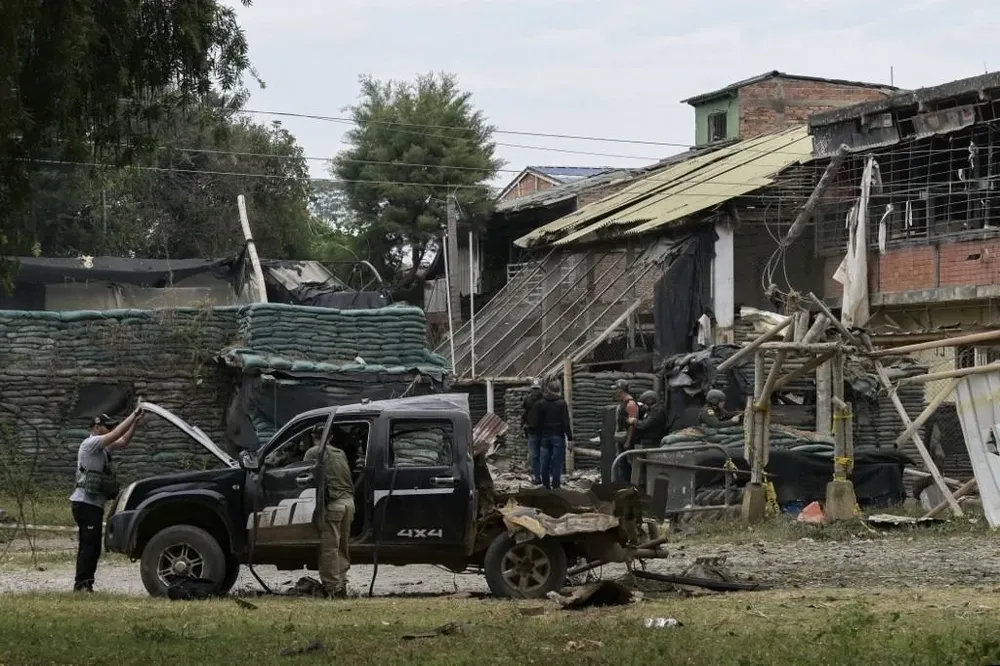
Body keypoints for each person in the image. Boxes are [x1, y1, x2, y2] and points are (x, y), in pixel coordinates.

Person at [70, 407, 143, 592]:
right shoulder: (91, 443)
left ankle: (87, 583)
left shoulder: (103, 449)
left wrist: (136, 422)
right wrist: (134, 413)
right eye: (106, 426)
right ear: (96, 427)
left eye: (110, 427)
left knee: (93, 546)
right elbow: (118, 433)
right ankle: (81, 585)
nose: (110, 430)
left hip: (93, 504)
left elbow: (124, 440)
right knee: (88, 545)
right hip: (85, 504)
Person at [304, 427, 355, 598]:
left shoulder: (313, 453)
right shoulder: (340, 453)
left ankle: (333, 588)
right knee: (342, 546)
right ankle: (342, 584)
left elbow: (304, 477)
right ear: (331, 437)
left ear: (313, 437)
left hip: (333, 505)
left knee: (329, 548)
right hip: (349, 503)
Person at [534, 380, 573, 490]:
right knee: (557, 463)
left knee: (544, 462)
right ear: (559, 390)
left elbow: (538, 422)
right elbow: (566, 422)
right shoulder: (561, 403)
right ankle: (556, 486)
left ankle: (546, 485)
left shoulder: (541, 403)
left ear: (548, 389)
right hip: (558, 436)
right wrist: (570, 438)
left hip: (545, 437)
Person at [612, 379, 640, 484]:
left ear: (620, 390)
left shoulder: (631, 404)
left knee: (628, 464)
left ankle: (629, 486)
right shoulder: (622, 403)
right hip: (621, 438)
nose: (615, 392)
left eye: (616, 389)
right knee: (622, 463)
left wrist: (628, 441)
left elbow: (632, 425)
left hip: (628, 440)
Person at [521, 379, 544, 485]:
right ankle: (537, 477)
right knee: (534, 455)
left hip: (544, 432)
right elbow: (524, 414)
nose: (535, 391)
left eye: (537, 389)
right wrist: (523, 425)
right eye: (534, 389)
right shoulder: (528, 400)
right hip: (532, 431)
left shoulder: (545, 401)